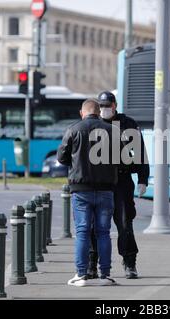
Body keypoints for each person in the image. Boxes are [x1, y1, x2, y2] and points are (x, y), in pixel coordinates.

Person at [88, 91, 149, 279]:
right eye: (102, 106)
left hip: (121, 181)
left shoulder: (128, 124)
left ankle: (130, 263)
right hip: (100, 182)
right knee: (95, 225)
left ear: (115, 105)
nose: (105, 109)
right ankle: (92, 264)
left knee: (124, 223)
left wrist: (143, 179)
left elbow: (139, 152)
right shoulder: (93, 125)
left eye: (108, 105)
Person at [57, 98, 118, 287]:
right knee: (104, 232)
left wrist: (76, 164)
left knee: (82, 231)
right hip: (106, 188)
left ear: (82, 113)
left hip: (81, 189)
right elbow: (123, 158)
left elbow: (61, 157)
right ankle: (105, 275)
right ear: (99, 113)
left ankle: (81, 275)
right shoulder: (112, 131)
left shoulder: (73, 130)